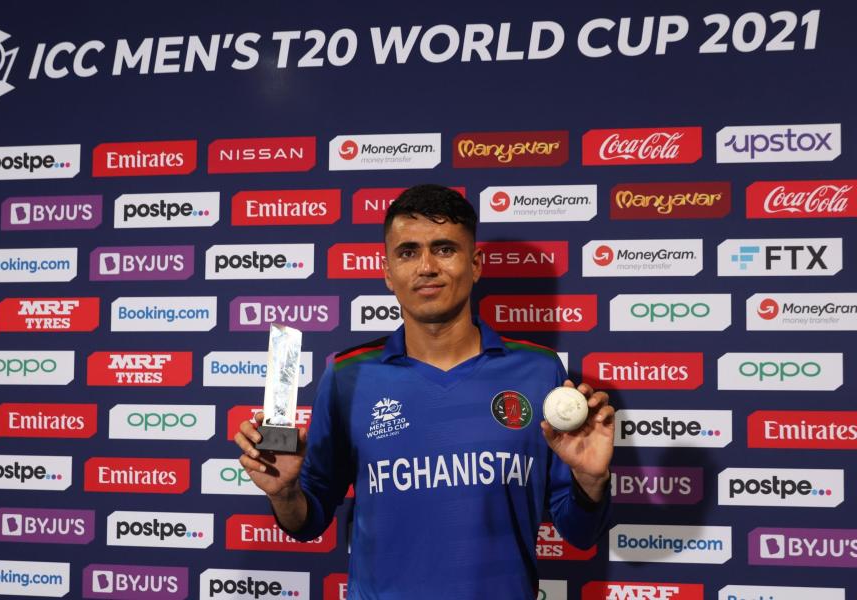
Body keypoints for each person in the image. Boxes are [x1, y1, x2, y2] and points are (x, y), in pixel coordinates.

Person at [235, 184, 614, 599]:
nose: (426, 266)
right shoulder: (348, 375)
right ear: (387, 272)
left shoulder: (538, 370)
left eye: (445, 249)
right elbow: (307, 522)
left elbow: (579, 534)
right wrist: (286, 492)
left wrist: (590, 480)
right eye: (408, 252)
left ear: (476, 264)